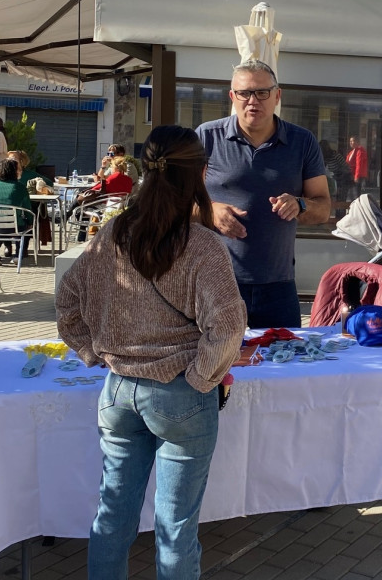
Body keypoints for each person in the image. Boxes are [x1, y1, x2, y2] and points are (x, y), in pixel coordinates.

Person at [55, 125, 247, 580]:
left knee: (112, 516)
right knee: (175, 527)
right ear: (201, 173)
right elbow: (228, 325)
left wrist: (93, 351)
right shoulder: (201, 245)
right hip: (178, 392)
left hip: (119, 391)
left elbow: (67, 300)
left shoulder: (114, 234)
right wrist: (201, 380)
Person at [195, 58, 330, 329]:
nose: (252, 100)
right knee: (214, 367)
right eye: (244, 93)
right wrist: (211, 211)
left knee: (284, 366)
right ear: (232, 97)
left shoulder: (302, 141)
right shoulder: (206, 137)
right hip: (215, 283)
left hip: (278, 287)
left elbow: (324, 208)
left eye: (261, 92)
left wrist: (300, 205)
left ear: (277, 96)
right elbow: (176, 203)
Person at [0, 158, 33, 264]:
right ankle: (18, 255)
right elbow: (27, 208)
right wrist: (30, 222)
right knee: (26, 227)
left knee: (1, 227)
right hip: (15, 225)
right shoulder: (20, 187)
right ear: (14, 171)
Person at [319, 139, 353, 204]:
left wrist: (339, 174)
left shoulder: (335, 156)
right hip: (332, 180)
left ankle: (341, 214)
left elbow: (346, 167)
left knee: (341, 200)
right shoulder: (323, 157)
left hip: (341, 180)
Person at [346, 135, 368, 201]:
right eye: (350, 141)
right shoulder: (352, 151)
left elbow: (359, 164)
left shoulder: (360, 151)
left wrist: (356, 176)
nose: (351, 142)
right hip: (351, 175)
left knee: (356, 195)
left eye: (352, 141)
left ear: (357, 142)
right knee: (351, 195)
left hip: (357, 176)